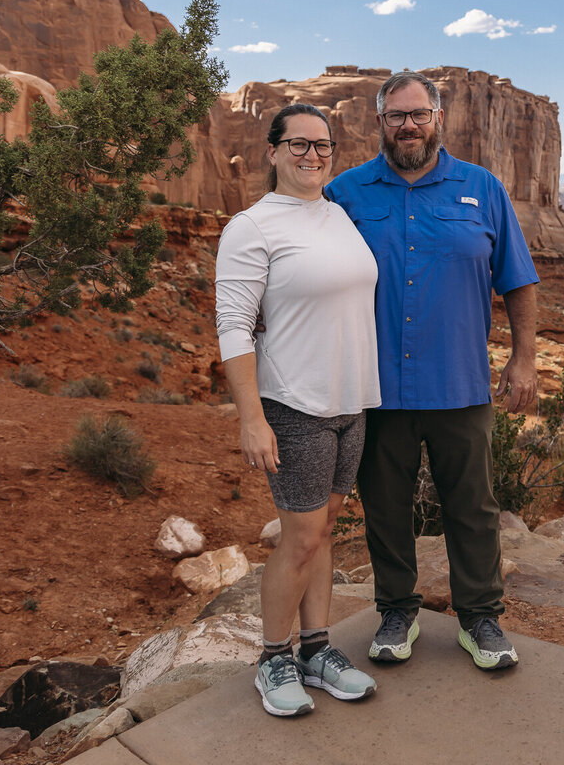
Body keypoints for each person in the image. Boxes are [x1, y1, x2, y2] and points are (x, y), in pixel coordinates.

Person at [325, 71, 539, 672]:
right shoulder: (345, 193)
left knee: (472, 506)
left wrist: (524, 358)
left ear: (438, 118)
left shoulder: (481, 188)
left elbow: (518, 279)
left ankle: (481, 618)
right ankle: (397, 611)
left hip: (460, 382)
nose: (409, 126)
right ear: (379, 122)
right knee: (384, 507)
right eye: (397, 116)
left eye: (419, 114)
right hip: (375, 386)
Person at [215, 103, 381, 717]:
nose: (313, 155)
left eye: (323, 145)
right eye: (299, 144)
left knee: (325, 530)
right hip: (294, 403)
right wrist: (251, 418)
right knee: (302, 537)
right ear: (273, 151)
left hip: (351, 401)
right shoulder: (251, 227)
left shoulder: (336, 214)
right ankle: (273, 658)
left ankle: (316, 649)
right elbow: (233, 325)